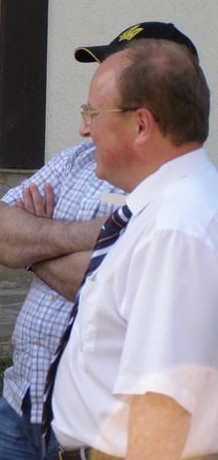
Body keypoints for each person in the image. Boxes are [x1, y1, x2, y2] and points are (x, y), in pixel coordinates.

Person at [0, 22, 193, 460]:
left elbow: (112, 291)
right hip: (20, 404)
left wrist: (36, 246)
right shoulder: (75, 159)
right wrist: (95, 234)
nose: (84, 127)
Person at [50, 31, 218, 458]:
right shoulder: (176, 207)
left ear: (141, 125)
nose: (84, 129)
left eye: (92, 113)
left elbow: (161, 413)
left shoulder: (175, 230)